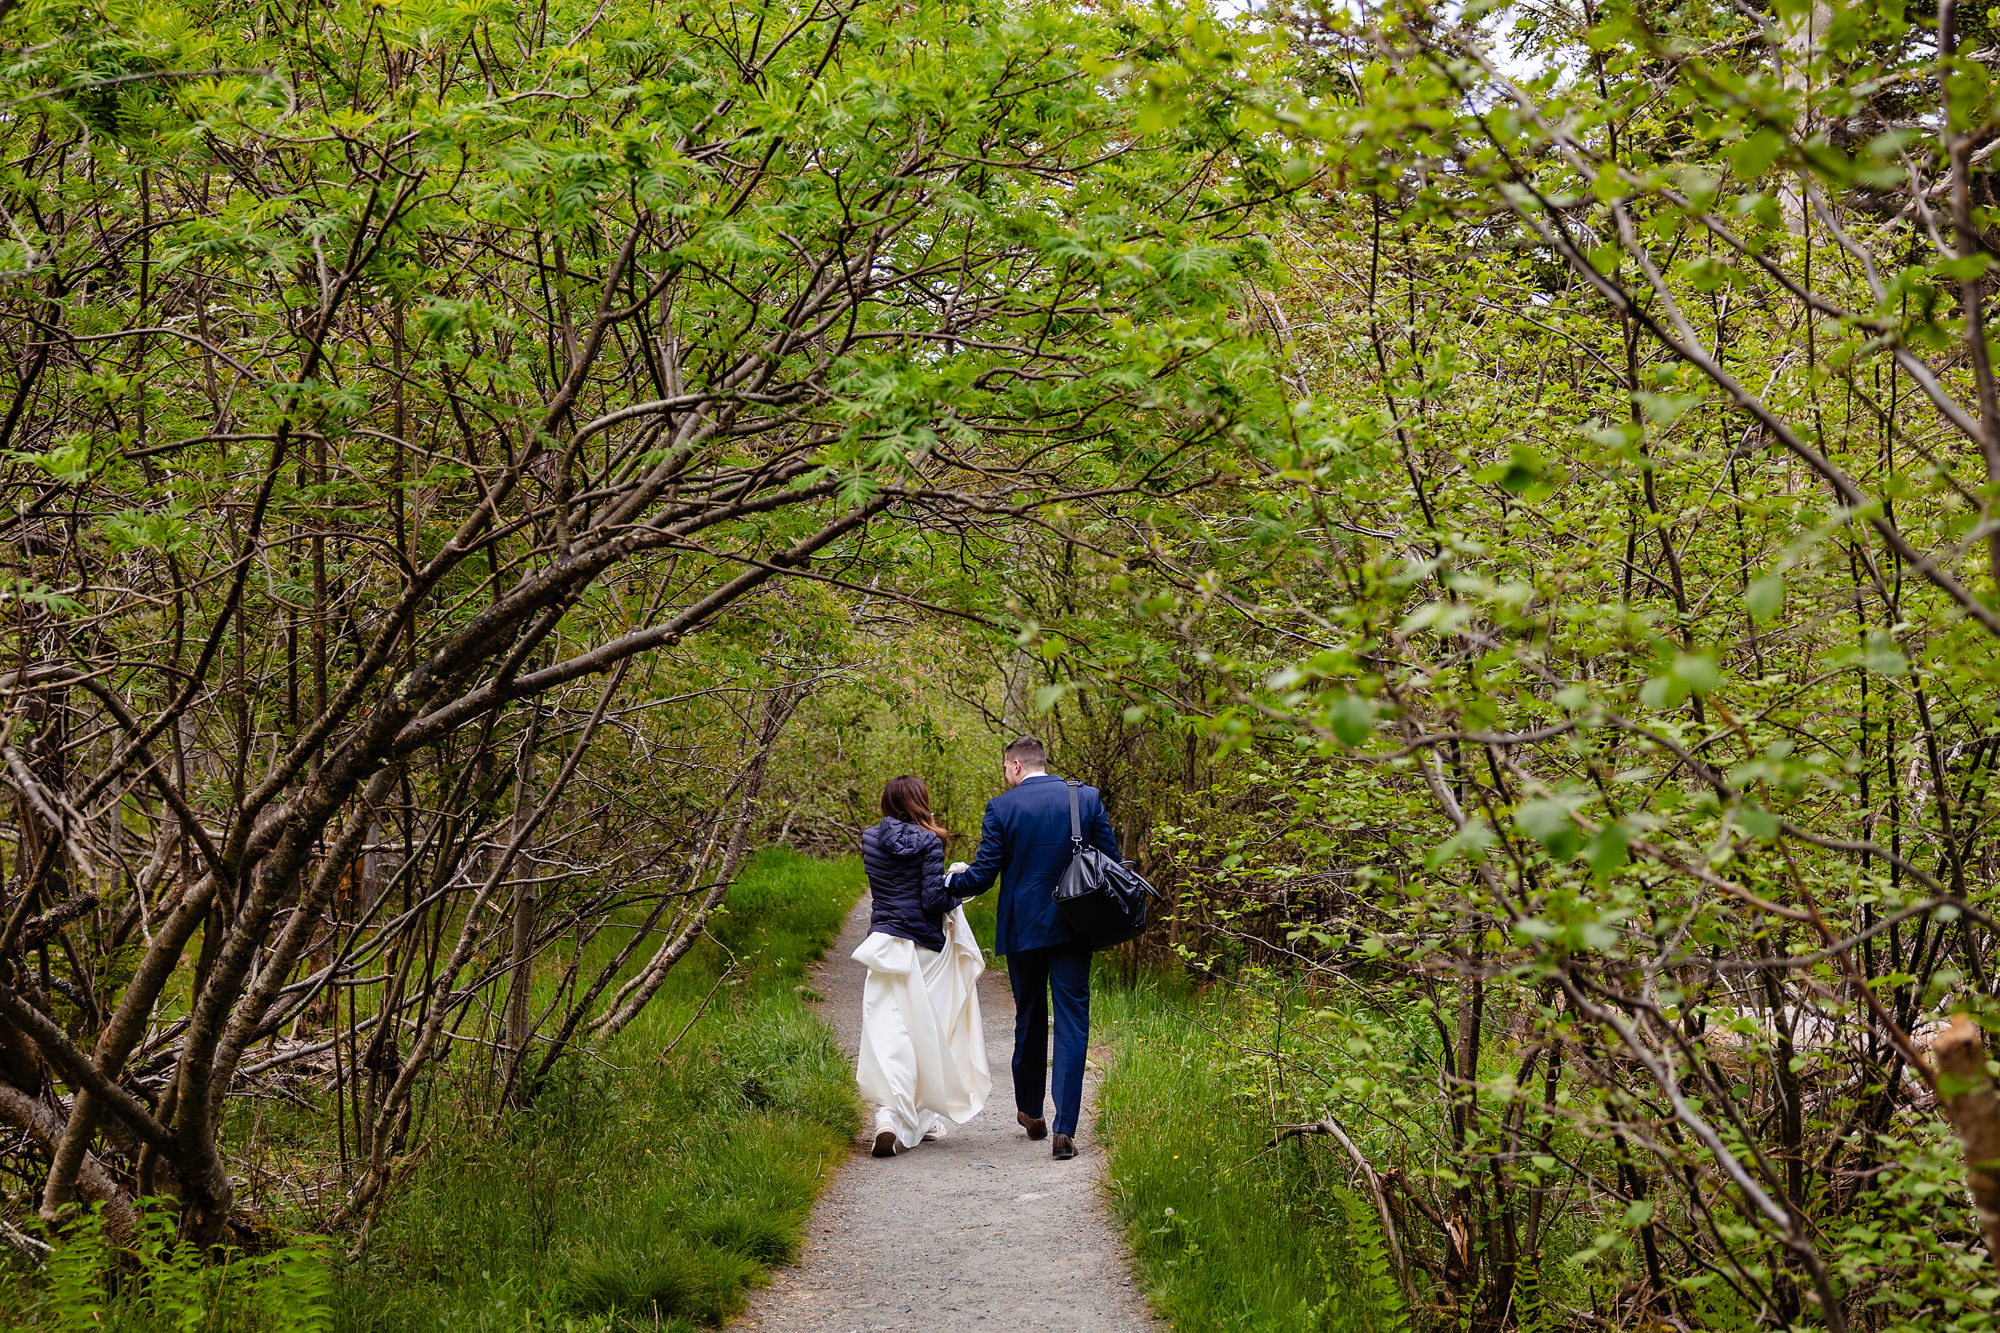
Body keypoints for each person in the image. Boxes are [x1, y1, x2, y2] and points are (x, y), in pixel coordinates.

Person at [946, 736, 1118, 1160]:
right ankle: (1066, 1129)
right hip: (1077, 927)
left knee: (1030, 1018)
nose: (1006, 776)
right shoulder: (1087, 799)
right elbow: (1111, 862)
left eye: (1006, 769)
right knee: (1073, 1023)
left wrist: (948, 886)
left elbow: (984, 874)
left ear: (1017, 767)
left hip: (1024, 930)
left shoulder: (1003, 808)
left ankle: (1030, 1112)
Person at [853, 775, 990, 1158]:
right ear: (920, 801)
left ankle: (889, 1114)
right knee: (928, 1031)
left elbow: (890, 888)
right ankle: (916, 1115)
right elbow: (932, 899)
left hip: (884, 944)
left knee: (890, 1031)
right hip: (925, 948)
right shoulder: (931, 841)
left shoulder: (869, 838)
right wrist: (960, 884)